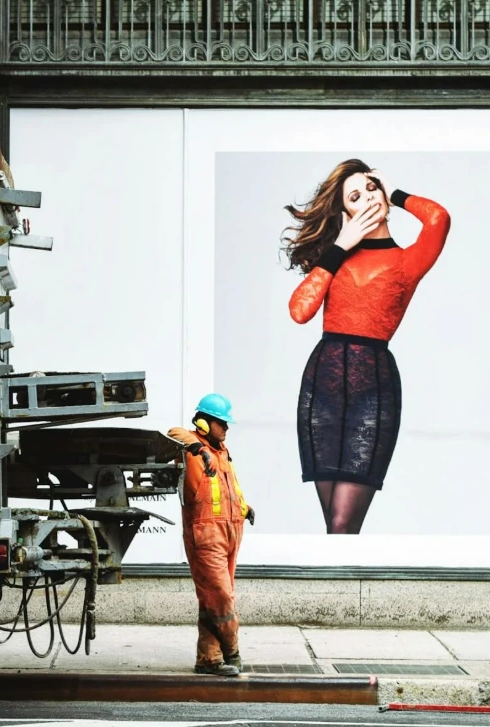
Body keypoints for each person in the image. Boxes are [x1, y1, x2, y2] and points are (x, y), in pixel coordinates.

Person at [283, 160, 451, 534]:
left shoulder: (408, 261)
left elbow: (438, 218)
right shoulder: (335, 258)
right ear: (347, 213)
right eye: (356, 197)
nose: (369, 199)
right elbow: (299, 311)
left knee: (343, 523)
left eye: (372, 188)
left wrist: (396, 194)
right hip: (321, 389)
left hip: (372, 392)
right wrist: (341, 245)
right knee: (332, 525)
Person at [168, 393, 255, 677]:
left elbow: (230, 488)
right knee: (221, 596)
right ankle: (232, 650)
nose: (226, 428)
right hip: (206, 534)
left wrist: (245, 507)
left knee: (211, 599)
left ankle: (209, 659)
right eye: (221, 423)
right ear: (204, 423)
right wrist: (198, 448)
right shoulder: (192, 449)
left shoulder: (222, 452)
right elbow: (173, 433)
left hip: (231, 531)